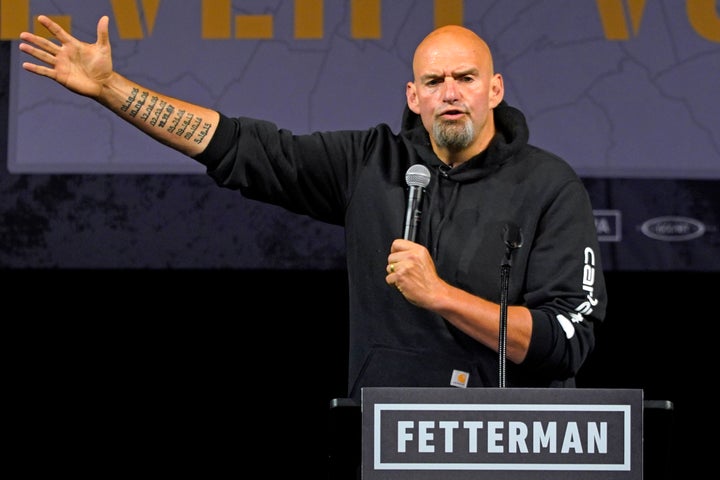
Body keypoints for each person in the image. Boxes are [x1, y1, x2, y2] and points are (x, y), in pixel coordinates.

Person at [18, 16, 606, 402]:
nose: (450, 92)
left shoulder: (549, 186)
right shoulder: (370, 164)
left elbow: (565, 337)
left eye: (465, 78)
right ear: (414, 96)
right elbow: (242, 147)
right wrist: (113, 88)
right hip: (388, 436)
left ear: (494, 90)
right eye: (434, 80)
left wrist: (440, 295)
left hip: (510, 442)